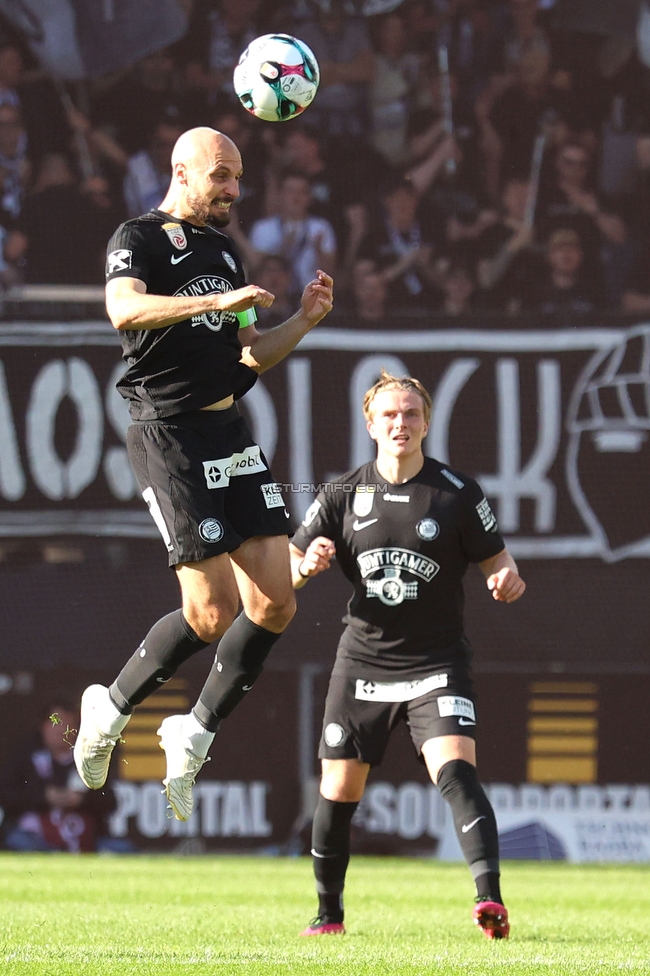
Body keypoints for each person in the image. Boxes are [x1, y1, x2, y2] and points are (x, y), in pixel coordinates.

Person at [73, 126, 334, 823]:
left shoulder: (223, 249)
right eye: (221, 176)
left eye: (238, 178)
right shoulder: (138, 237)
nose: (233, 190)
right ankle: (109, 707)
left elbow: (249, 355)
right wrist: (209, 304)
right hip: (171, 436)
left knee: (277, 601)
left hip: (230, 431)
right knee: (212, 612)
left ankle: (194, 729)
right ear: (181, 171)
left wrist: (305, 321)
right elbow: (122, 309)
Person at [289, 369, 525, 940]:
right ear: (370, 425)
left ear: (427, 422)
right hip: (363, 663)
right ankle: (329, 916)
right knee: (338, 791)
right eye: (390, 415)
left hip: (435, 664)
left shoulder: (457, 493)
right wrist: (307, 564)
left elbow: (501, 564)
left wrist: (507, 581)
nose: (401, 423)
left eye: (411, 414)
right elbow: (287, 572)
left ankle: (489, 902)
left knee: (457, 774)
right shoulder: (341, 494)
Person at [0, 701, 122, 853]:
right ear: (42, 726)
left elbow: (110, 802)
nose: (61, 730)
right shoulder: (23, 757)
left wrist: (82, 799)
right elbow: (6, 796)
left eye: (67, 724)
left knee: (121, 848)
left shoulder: (90, 760)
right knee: (18, 841)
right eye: (55, 723)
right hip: (34, 838)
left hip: (84, 838)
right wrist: (44, 798)